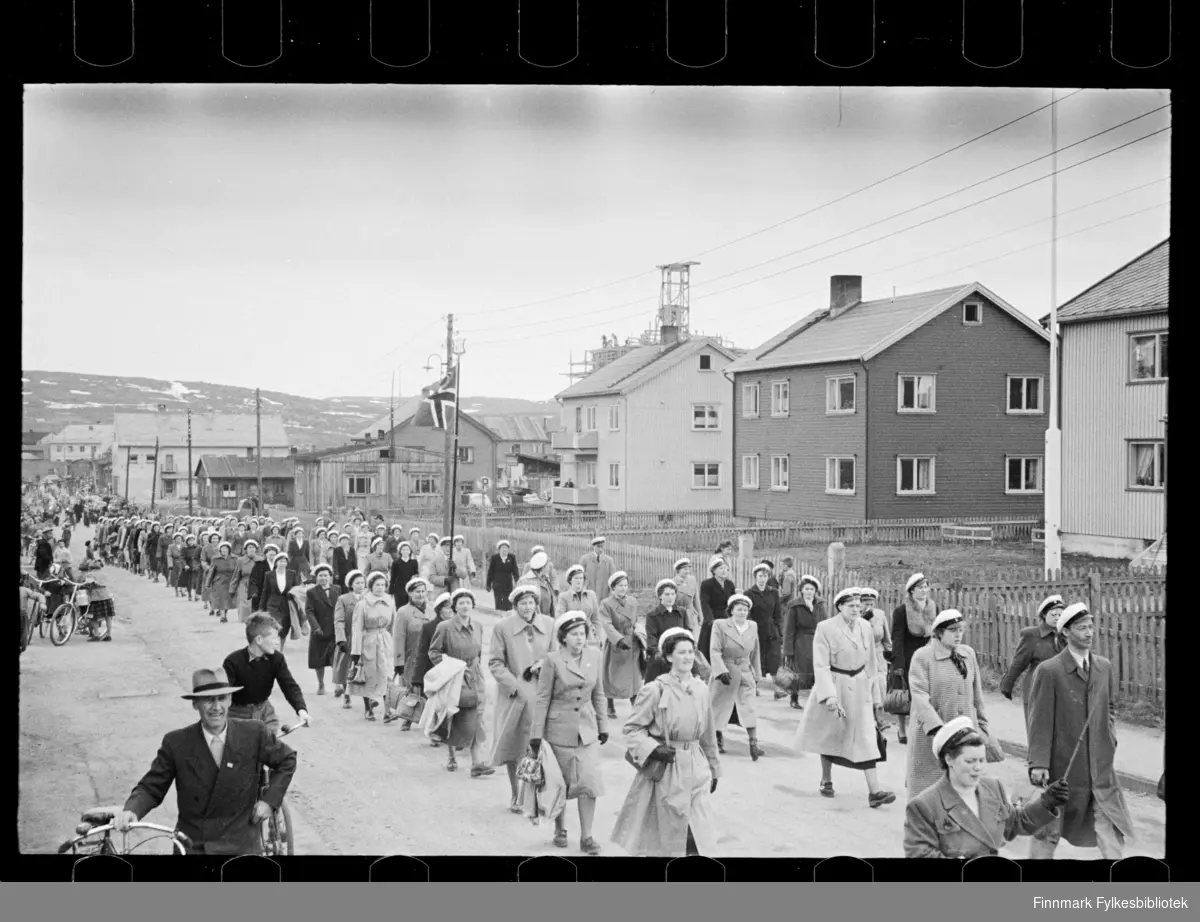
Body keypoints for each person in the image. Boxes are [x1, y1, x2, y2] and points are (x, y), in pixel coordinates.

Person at [115, 667, 297, 855]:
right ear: (195, 704)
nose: (216, 707)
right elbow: (151, 787)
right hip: (194, 846)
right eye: (208, 700)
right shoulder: (177, 743)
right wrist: (132, 810)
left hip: (241, 845)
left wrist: (269, 801)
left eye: (221, 698)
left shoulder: (253, 733)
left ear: (230, 700)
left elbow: (287, 759)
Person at [1025, 602, 1134, 859]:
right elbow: (1039, 720)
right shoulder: (1049, 671)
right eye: (1081, 628)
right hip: (1063, 766)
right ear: (1065, 632)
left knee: (1108, 823)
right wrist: (1038, 763)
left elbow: (1110, 707)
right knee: (1048, 829)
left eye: (1091, 627)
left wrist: (1110, 737)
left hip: (1099, 768)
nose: (1088, 633)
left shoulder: (1103, 667)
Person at [612, 627, 721, 857]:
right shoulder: (655, 690)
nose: (688, 657)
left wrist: (714, 768)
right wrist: (653, 749)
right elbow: (632, 729)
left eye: (691, 651)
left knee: (701, 831)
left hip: (697, 766)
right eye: (681, 652)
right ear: (669, 657)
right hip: (667, 768)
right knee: (671, 830)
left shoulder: (701, 689)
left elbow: (708, 733)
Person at [904, 716, 1069, 859]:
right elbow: (920, 855)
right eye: (970, 761)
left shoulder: (992, 787)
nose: (978, 768)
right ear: (949, 759)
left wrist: (1046, 803)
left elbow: (1015, 823)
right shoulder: (924, 805)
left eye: (982, 761)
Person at [793, 587, 895, 808]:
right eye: (851, 606)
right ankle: (826, 779)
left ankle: (875, 792)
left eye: (859, 606)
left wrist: (876, 696)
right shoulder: (826, 628)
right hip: (835, 685)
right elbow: (820, 665)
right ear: (840, 606)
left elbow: (871, 663)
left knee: (867, 736)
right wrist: (829, 696)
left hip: (860, 687)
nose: (856, 610)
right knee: (831, 735)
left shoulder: (865, 627)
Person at [529, 610, 608, 854]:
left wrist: (603, 725)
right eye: (574, 634)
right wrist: (536, 733)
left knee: (589, 783)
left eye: (583, 633)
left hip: (586, 730)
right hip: (558, 730)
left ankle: (587, 836)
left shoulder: (594, 655)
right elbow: (542, 698)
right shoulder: (553, 660)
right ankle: (560, 829)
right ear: (563, 638)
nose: (579, 638)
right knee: (560, 782)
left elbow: (598, 693)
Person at [906, 609, 990, 799]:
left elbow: (977, 694)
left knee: (962, 782)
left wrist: (983, 726)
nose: (958, 634)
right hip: (932, 734)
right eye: (953, 630)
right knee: (928, 784)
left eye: (961, 629)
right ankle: (921, 822)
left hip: (965, 731)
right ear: (939, 633)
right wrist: (938, 729)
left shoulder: (967, 654)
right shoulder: (923, 656)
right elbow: (919, 696)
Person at [488, 584, 555, 812]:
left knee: (539, 747)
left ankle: (535, 797)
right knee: (515, 746)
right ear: (515, 606)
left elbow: (556, 656)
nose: (528, 607)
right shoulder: (502, 627)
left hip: (543, 694)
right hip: (515, 696)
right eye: (523, 603)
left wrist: (543, 664)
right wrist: (514, 685)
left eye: (531, 602)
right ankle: (516, 794)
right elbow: (495, 662)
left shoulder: (549, 624)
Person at [427, 588, 494, 775]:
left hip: (475, 676)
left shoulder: (479, 626)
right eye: (461, 603)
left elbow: (479, 653)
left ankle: (476, 763)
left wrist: (477, 670)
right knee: (455, 716)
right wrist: (450, 667)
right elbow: (433, 652)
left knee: (477, 716)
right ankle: (451, 757)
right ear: (455, 607)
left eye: (468, 602)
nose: (465, 606)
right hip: (455, 676)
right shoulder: (445, 627)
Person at [222, 614, 311, 737]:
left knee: (267, 749)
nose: (277, 642)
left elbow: (289, 685)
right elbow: (223, 694)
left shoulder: (277, 659)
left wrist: (301, 710)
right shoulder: (233, 662)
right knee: (241, 751)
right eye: (274, 638)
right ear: (259, 640)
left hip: (265, 712)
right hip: (237, 714)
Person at [709, 593, 764, 759]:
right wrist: (720, 671)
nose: (742, 613)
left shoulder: (752, 626)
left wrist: (757, 674)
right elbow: (714, 650)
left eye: (745, 610)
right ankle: (716, 739)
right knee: (718, 706)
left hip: (745, 671)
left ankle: (753, 743)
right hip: (726, 670)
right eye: (739, 609)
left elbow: (755, 652)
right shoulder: (720, 625)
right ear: (731, 611)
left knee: (749, 707)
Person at [999, 594, 1066, 724]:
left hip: (1061, 689)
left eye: (1060, 615)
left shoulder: (1066, 635)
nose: (1057, 618)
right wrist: (1008, 684)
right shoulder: (1032, 635)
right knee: (1038, 731)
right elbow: (1019, 662)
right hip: (1036, 688)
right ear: (1044, 615)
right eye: (1053, 615)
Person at [890, 573, 936, 745]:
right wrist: (898, 663)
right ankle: (902, 729)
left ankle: (923, 727)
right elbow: (897, 638)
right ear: (911, 591)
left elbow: (937, 634)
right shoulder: (902, 611)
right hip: (909, 657)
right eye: (920, 587)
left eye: (926, 587)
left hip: (929, 656)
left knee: (927, 695)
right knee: (905, 695)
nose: (924, 590)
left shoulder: (932, 608)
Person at [347, 571, 396, 722]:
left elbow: (393, 624)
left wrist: (395, 646)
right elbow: (357, 628)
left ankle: (388, 711)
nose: (380, 588)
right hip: (368, 641)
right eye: (377, 585)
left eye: (382, 585)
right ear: (371, 586)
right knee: (369, 675)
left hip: (385, 641)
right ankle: (368, 709)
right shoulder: (363, 604)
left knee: (387, 675)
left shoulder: (390, 601)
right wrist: (356, 652)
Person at [598, 570, 643, 721]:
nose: (623, 588)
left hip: (632, 642)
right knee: (613, 674)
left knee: (634, 674)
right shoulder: (606, 604)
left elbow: (636, 621)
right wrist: (618, 639)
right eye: (620, 586)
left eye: (625, 585)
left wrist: (641, 636)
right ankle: (610, 703)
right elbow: (606, 624)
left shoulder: (633, 601)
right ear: (613, 588)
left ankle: (634, 703)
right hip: (616, 644)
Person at [389, 576, 434, 729]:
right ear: (410, 594)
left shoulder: (432, 610)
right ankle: (408, 717)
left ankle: (430, 721)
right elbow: (398, 638)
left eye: (423, 591)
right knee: (412, 689)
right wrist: (398, 663)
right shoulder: (403, 612)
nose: (421, 595)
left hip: (430, 657)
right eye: (417, 592)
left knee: (431, 689)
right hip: (411, 657)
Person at [643, 578, 702, 682]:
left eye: (672, 594)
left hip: (681, 653)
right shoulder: (652, 615)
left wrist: (690, 645)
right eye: (666, 594)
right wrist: (657, 653)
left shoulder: (681, 612)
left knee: (694, 679)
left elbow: (687, 632)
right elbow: (651, 637)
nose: (670, 597)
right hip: (662, 654)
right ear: (660, 596)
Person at [784, 574, 824, 707]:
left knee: (817, 670)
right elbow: (789, 629)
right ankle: (794, 698)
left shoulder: (820, 604)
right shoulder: (794, 605)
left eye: (812, 589)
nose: (809, 592)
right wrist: (788, 650)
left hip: (817, 641)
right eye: (806, 589)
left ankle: (815, 700)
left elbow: (825, 623)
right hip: (800, 642)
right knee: (798, 671)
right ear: (801, 590)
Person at [304, 563, 341, 696]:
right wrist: (316, 627)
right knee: (319, 659)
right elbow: (309, 611)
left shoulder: (337, 589)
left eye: (326, 575)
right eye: (320, 576)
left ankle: (338, 684)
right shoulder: (311, 592)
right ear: (316, 577)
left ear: (330, 577)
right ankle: (321, 683)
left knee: (336, 659)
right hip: (319, 631)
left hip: (335, 630)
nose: (323, 578)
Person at [256, 552, 304, 651]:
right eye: (280, 561)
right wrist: (261, 608)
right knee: (275, 626)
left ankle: (280, 649)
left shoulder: (292, 573)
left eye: (284, 561)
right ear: (276, 562)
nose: (282, 563)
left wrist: (299, 603)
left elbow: (297, 589)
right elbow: (265, 591)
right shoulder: (269, 575)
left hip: (287, 605)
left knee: (285, 628)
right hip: (273, 605)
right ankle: (272, 647)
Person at [333, 570, 367, 707]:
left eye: (362, 582)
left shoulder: (369, 598)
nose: (360, 585)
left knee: (367, 667)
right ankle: (346, 695)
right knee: (346, 667)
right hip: (349, 637)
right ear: (351, 584)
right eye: (357, 583)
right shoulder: (343, 599)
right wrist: (341, 639)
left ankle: (368, 699)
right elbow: (339, 620)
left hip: (366, 637)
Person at [747, 563, 784, 680]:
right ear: (755, 577)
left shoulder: (773, 593)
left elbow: (778, 614)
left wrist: (780, 632)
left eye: (765, 576)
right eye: (760, 576)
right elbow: (748, 615)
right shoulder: (749, 593)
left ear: (768, 577)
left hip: (772, 630)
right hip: (756, 630)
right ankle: (755, 685)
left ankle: (778, 689)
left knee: (774, 658)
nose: (762, 579)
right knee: (757, 658)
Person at [697, 556, 736, 663]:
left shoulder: (730, 584)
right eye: (721, 568)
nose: (724, 571)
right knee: (709, 646)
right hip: (712, 618)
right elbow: (704, 603)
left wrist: (734, 617)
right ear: (713, 570)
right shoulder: (707, 584)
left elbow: (733, 602)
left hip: (727, 618)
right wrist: (710, 620)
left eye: (725, 568)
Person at [859, 588, 892, 703]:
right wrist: (863, 619)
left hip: (878, 652)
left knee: (881, 681)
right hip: (862, 653)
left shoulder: (880, 614)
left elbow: (886, 637)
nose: (869, 606)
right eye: (866, 603)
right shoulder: (855, 615)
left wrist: (890, 653)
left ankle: (880, 710)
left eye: (871, 604)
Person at [557, 565, 601, 647]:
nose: (579, 581)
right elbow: (559, 619)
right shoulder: (564, 596)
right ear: (570, 580)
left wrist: (599, 638)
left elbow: (596, 620)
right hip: (572, 634)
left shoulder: (591, 595)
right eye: (576, 578)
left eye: (581, 578)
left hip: (590, 636)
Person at [77, 547, 114, 642]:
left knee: (93, 617)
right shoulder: (103, 574)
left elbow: (87, 584)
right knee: (108, 617)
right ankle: (109, 635)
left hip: (96, 598)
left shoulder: (90, 575)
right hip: (106, 596)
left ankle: (96, 634)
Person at [204, 541, 238, 624]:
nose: (224, 550)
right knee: (222, 598)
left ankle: (224, 612)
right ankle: (223, 616)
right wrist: (207, 583)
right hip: (219, 580)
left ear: (229, 550)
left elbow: (238, 571)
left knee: (228, 599)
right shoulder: (215, 559)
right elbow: (211, 571)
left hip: (230, 581)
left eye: (226, 549)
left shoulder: (235, 558)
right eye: (222, 549)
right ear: (220, 550)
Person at [228, 539, 260, 622]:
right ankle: (247, 622)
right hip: (244, 584)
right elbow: (236, 576)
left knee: (255, 606)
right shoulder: (240, 560)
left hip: (256, 585)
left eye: (253, 547)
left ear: (256, 549)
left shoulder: (261, 560)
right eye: (249, 547)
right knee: (245, 605)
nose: (251, 549)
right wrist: (232, 589)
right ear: (246, 549)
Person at [519, 551, 557, 617]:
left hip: (546, 619)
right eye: (548, 565)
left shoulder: (545, 579)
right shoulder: (525, 581)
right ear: (543, 567)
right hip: (533, 620)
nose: (549, 567)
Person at [486, 539, 520, 611]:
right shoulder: (495, 558)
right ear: (499, 549)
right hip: (498, 585)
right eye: (503, 548)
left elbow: (515, 570)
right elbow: (490, 572)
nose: (505, 549)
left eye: (506, 548)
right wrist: (488, 584)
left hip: (508, 585)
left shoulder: (512, 557)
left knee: (508, 603)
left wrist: (518, 581)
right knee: (499, 604)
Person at [581, 536, 616, 602]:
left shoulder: (609, 560)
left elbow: (613, 578)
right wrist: (583, 588)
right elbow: (580, 576)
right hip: (589, 592)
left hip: (604, 593)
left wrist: (612, 592)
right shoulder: (585, 559)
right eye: (598, 547)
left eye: (602, 547)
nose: (600, 549)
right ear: (594, 546)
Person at [388, 541, 420, 610]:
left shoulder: (414, 562)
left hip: (411, 587)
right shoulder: (396, 562)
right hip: (399, 588)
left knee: (411, 607)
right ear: (400, 551)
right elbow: (393, 577)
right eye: (404, 550)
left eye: (407, 549)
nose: (406, 551)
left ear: (410, 551)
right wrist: (391, 590)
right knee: (400, 607)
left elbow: (416, 574)